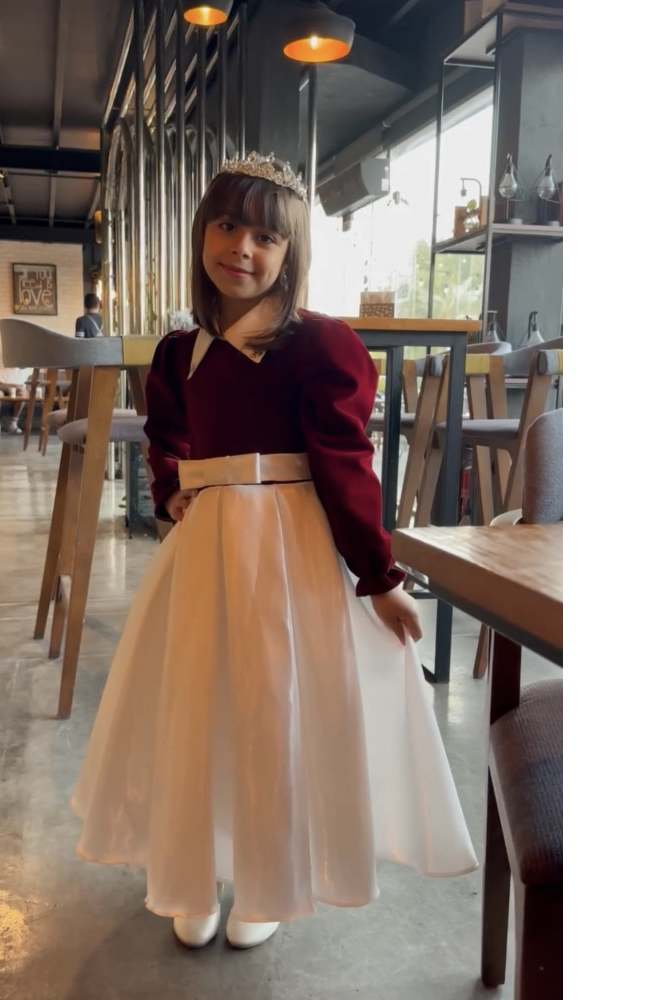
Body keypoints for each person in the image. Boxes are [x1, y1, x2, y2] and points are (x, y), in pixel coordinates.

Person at [70, 153, 477, 952]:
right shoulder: (179, 352)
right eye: (228, 226)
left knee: (272, 708)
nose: (243, 249)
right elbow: (166, 435)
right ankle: (194, 865)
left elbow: (345, 462)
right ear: (203, 234)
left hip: (287, 554)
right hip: (204, 554)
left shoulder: (319, 346)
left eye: (266, 237)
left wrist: (378, 575)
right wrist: (171, 487)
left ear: (291, 253)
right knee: (198, 703)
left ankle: (268, 876)